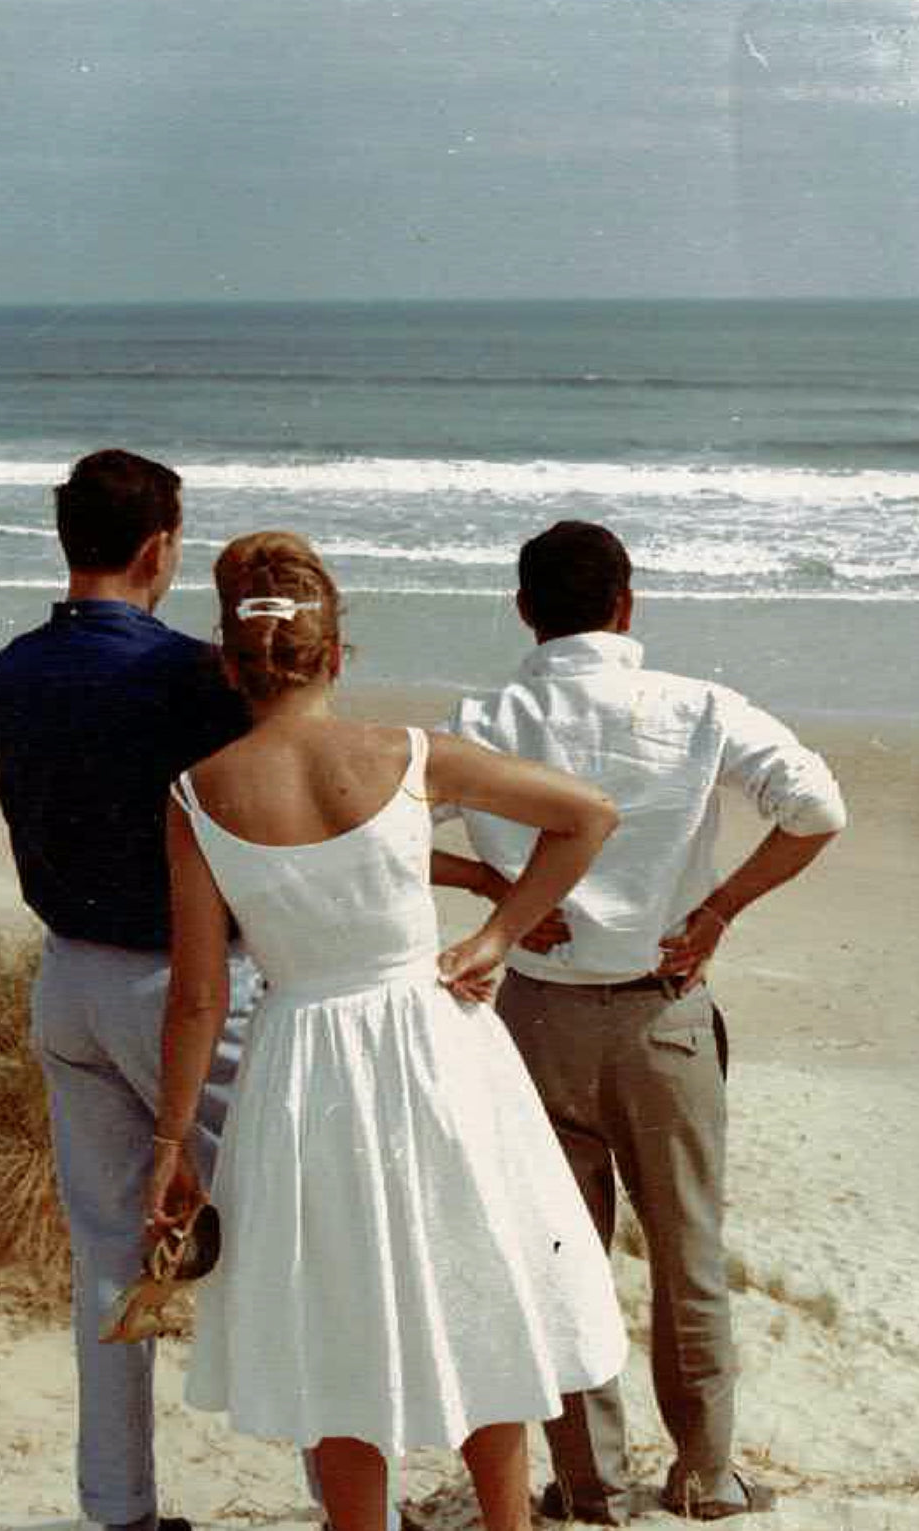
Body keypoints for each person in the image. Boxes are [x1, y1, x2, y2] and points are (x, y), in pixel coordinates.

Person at [146, 530, 630, 1531]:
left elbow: (196, 995)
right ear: (333, 654)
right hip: (431, 1043)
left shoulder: (197, 794)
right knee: (479, 1296)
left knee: (336, 1331)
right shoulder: (407, 753)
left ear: (234, 666)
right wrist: (497, 932)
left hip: (300, 1062)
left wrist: (171, 1141)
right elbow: (586, 812)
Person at [442, 520, 847, 1525]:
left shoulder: (486, 716)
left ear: (525, 609)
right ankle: (706, 1478)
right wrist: (716, 910)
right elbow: (815, 807)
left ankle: (589, 1483)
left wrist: (497, 885)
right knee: (687, 1254)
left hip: (535, 1012)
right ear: (627, 604)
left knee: (557, 1255)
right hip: (660, 1016)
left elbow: (386, 823)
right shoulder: (695, 705)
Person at [0, 449, 257, 1531]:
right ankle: (344, 1501)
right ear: (160, 547)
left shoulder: (7, 672)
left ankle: (120, 1509)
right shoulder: (189, 677)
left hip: (68, 980)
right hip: (183, 984)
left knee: (104, 1255)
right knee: (279, 1230)